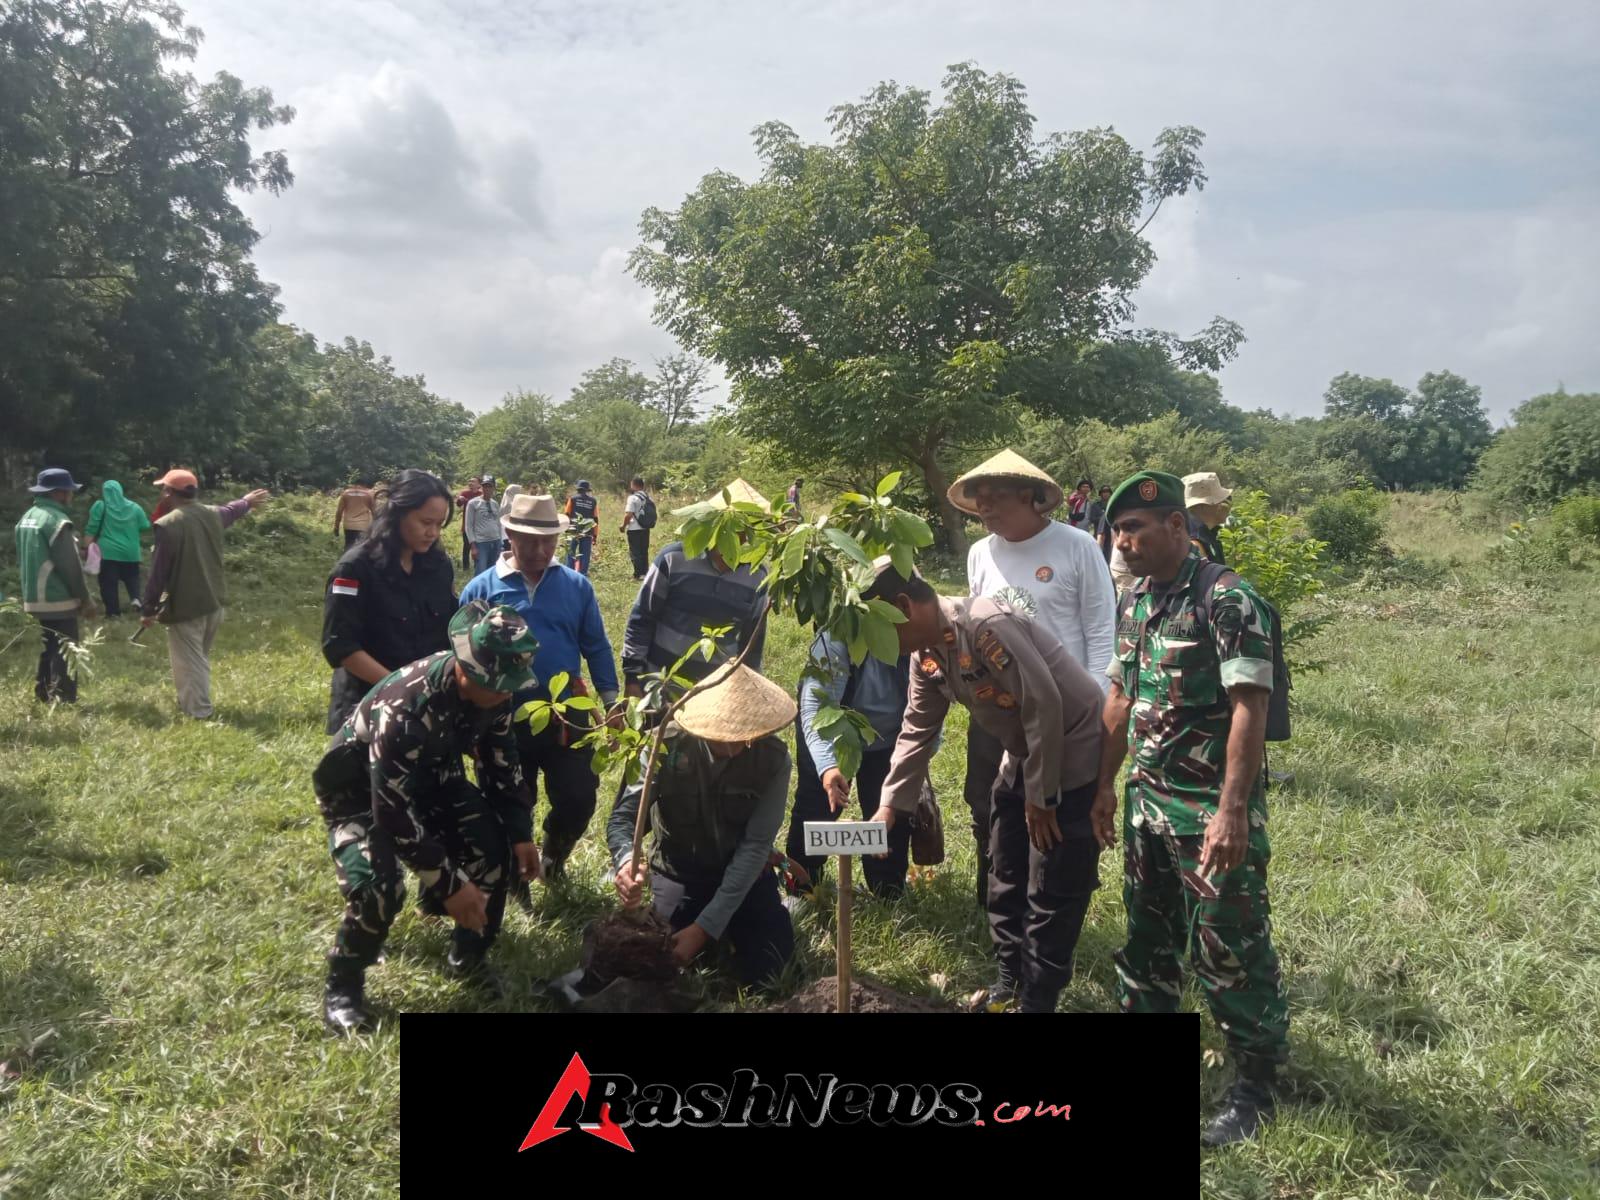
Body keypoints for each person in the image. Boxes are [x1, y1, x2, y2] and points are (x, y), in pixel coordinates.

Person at [1091, 470, 1288, 1146]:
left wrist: (1232, 811)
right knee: (1147, 939)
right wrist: (1103, 786)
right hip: (1147, 805)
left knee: (1228, 943)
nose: (1124, 542)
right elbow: (1119, 700)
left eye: (1135, 529)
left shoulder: (1229, 600)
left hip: (1208, 812)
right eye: (1118, 531)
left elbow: (1250, 707)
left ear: (1177, 525)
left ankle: (1256, 1084)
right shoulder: (1136, 600)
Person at [866, 560, 1105, 1014]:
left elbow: (1044, 704)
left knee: (1051, 882)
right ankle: (1010, 980)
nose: (885, 645)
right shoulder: (926, 655)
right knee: (1004, 866)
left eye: (885, 631)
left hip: (1070, 748)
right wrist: (889, 806)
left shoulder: (985, 626)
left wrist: (1042, 797)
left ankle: (1037, 1000)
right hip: (1022, 751)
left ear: (903, 606)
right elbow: (917, 729)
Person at [315, 603, 542, 1034]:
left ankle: (468, 956)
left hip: (434, 778)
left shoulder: (496, 692)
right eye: (498, 687)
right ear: (467, 672)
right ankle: (344, 984)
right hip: (360, 793)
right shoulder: (406, 707)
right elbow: (391, 811)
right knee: (378, 887)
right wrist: (448, 883)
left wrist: (519, 832)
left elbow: (501, 759)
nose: (506, 696)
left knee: (491, 850)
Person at [948, 448, 1116, 907]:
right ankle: (996, 900)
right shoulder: (981, 553)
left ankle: (1050, 908)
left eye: (995, 495)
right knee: (988, 802)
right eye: (978, 496)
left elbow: (1101, 632)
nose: (983, 505)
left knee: (1058, 812)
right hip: (998, 708)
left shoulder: (1076, 546)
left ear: (1029, 495)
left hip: (1062, 711)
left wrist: (1096, 715)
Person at [459, 493, 621, 882]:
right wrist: (466, 722)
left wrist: (612, 701)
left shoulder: (576, 586)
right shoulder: (481, 590)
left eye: (548, 542)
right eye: (530, 541)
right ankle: (515, 879)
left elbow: (596, 645)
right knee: (509, 802)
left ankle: (554, 856)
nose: (539, 551)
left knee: (579, 796)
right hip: (502, 718)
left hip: (567, 714)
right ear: (510, 535)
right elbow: (462, 662)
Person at [608, 663, 796, 988]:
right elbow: (623, 817)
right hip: (680, 870)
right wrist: (626, 862)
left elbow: (755, 847)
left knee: (770, 966)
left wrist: (704, 929)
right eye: (725, 736)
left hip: (743, 872)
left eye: (746, 735)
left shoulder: (773, 759)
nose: (736, 746)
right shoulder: (664, 744)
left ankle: (736, 926)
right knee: (659, 958)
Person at [321, 470, 457, 733]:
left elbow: (450, 630)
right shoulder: (354, 569)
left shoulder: (439, 566)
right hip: (367, 708)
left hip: (427, 707)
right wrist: (402, 688)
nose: (433, 533)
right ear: (397, 514)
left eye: (439, 524)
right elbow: (341, 646)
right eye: (426, 522)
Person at [786, 630, 915, 899]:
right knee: (815, 807)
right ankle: (801, 889)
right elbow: (814, 706)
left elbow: (928, 709)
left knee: (890, 814)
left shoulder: (919, 638)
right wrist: (827, 766)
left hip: (891, 738)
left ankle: (888, 892)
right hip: (830, 730)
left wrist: (913, 764)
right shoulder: (837, 637)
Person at [139, 470, 269, 720]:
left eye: (163, 489)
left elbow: (158, 573)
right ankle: (191, 702)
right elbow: (231, 510)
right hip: (214, 602)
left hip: (187, 606)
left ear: (169, 492)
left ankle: (199, 713)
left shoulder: (168, 525)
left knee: (190, 663)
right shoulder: (212, 514)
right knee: (196, 659)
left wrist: (148, 609)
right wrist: (246, 502)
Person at [621, 482, 769, 696]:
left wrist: (751, 690)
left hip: (716, 694)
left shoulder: (756, 575)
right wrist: (632, 678)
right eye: (731, 525)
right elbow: (642, 618)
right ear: (713, 522)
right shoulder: (673, 559)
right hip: (660, 686)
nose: (738, 534)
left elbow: (752, 643)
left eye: (746, 526)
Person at [14, 468, 95, 703]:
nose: (71, 495)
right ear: (59, 493)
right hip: (56, 596)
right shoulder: (57, 521)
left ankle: (44, 692)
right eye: (69, 491)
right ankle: (63, 698)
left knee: (49, 645)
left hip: (34, 594)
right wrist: (85, 599)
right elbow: (70, 566)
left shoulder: (28, 517)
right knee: (66, 648)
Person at [84, 479, 150, 618]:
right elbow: (145, 525)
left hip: (108, 552)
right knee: (132, 577)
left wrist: (86, 547)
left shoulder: (100, 506)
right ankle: (136, 599)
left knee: (109, 583)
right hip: (131, 552)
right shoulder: (135, 507)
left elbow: (92, 528)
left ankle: (113, 613)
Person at [1183, 471, 1233, 565]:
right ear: (1202, 506)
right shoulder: (1195, 543)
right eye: (1220, 500)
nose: (1223, 505)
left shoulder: (1205, 534)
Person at [463, 477, 502, 574]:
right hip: (481, 543)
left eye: (489, 486)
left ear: (494, 488)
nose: (487, 489)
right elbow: (468, 526)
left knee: (493, 572)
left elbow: (498, 524)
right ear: (481, 487)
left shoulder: (495, 504)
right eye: (485, 486)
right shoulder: (473, 503)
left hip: (495, 541)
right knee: (481, 571)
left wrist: (500, 543)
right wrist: (473, 546)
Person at [621, 476, 654, 581]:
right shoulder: (648, 498)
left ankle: (638, 574)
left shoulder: (632, 498)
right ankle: (645, 573)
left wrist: (623, 526)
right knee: (644, 551)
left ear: (633, 485)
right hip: (645, 528)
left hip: (634, 529)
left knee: (635, 552)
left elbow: (629, 515)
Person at [563, 479, 599, 575]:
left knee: (570, 553)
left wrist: (566, 529)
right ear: (587, 490)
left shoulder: (572, 499)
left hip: (573, 530)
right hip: (588, 531)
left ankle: (569, 573)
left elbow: (567, 514)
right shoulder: (593, 501)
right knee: (585, 554)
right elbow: (595, 519)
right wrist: (595, 535)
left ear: (578, 489)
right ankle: (582, 574)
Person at [332, 479, 377, 549]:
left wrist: (336, 526)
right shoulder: (369, 494)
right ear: (364, 485)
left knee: (348, 545)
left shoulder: (346, 493)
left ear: (354, 484)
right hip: (363, 525)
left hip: (348, 525)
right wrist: (377, 527)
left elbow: (339, 511)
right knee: (360, 548)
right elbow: (375, 512)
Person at [455, 476, 483, 571]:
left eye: (473, 481)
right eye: (469, 481)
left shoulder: (481, 494)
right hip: (466, 525)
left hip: (479, 526)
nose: (470, 483)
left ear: (479, 484)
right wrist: (459, 500)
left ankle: (477, 566)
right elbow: (458, 504)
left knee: (478, 546)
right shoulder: (464, 493)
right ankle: (465, 567)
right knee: (466, 546)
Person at [1089, 484, 1113, 561]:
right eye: (1104, 492)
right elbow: (1092, 518)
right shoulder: (1095, 505)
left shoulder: (1113, 505)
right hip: (1099, 533)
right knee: (1098, 555)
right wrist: (1103, 518)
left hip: (1112, 534)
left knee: (1110, 555)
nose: (1105, 493)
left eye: (1107, 491)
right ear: (1101, 493)